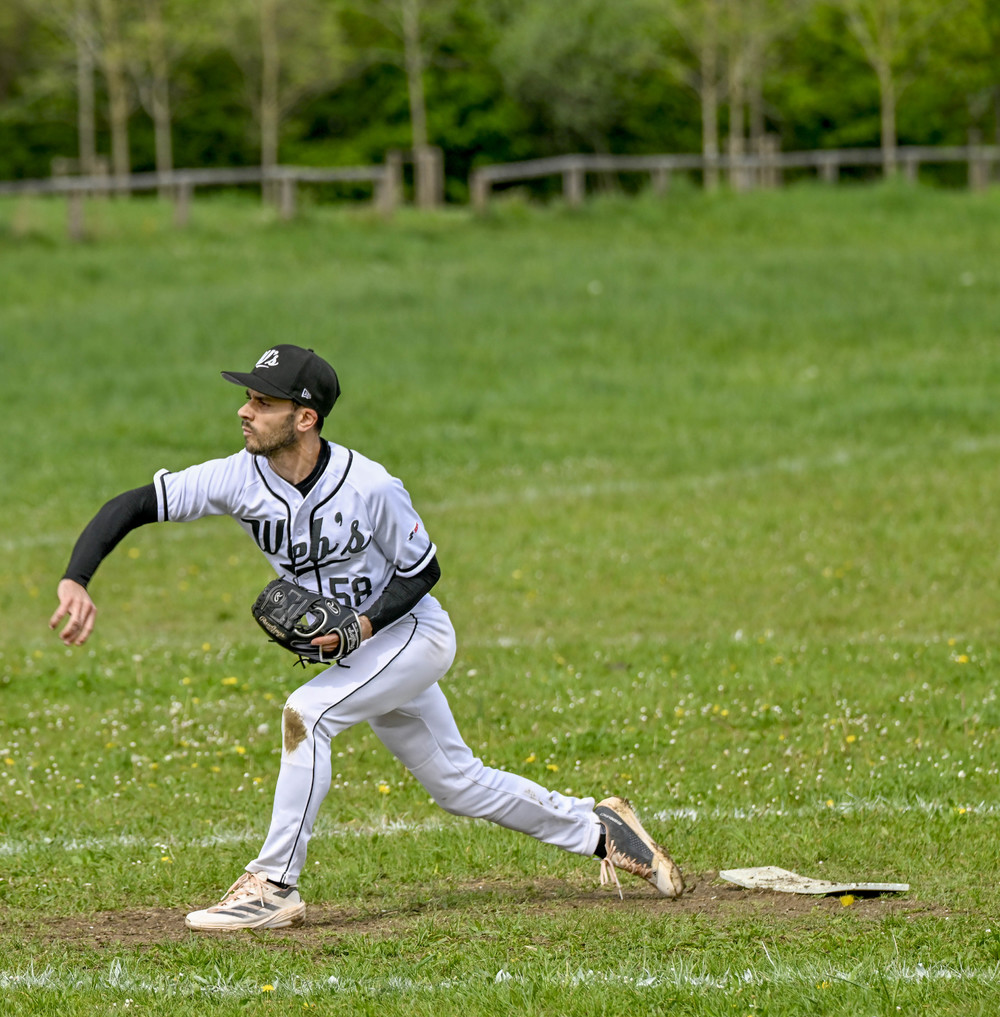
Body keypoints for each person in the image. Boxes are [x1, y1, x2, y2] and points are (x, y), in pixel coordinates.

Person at [50, 344, 683, 931]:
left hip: (412, 635)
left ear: (305, 418)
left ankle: (274, 885)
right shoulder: (237, 477)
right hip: (368, 654)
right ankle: (598, 829)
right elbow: (132, 505)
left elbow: (422, 571)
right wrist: (77, 579)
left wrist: (361, 626)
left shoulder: (369, 485)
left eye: (263, 402)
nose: (245, 411)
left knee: (308, 713)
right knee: (456, 783)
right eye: (247, 398)